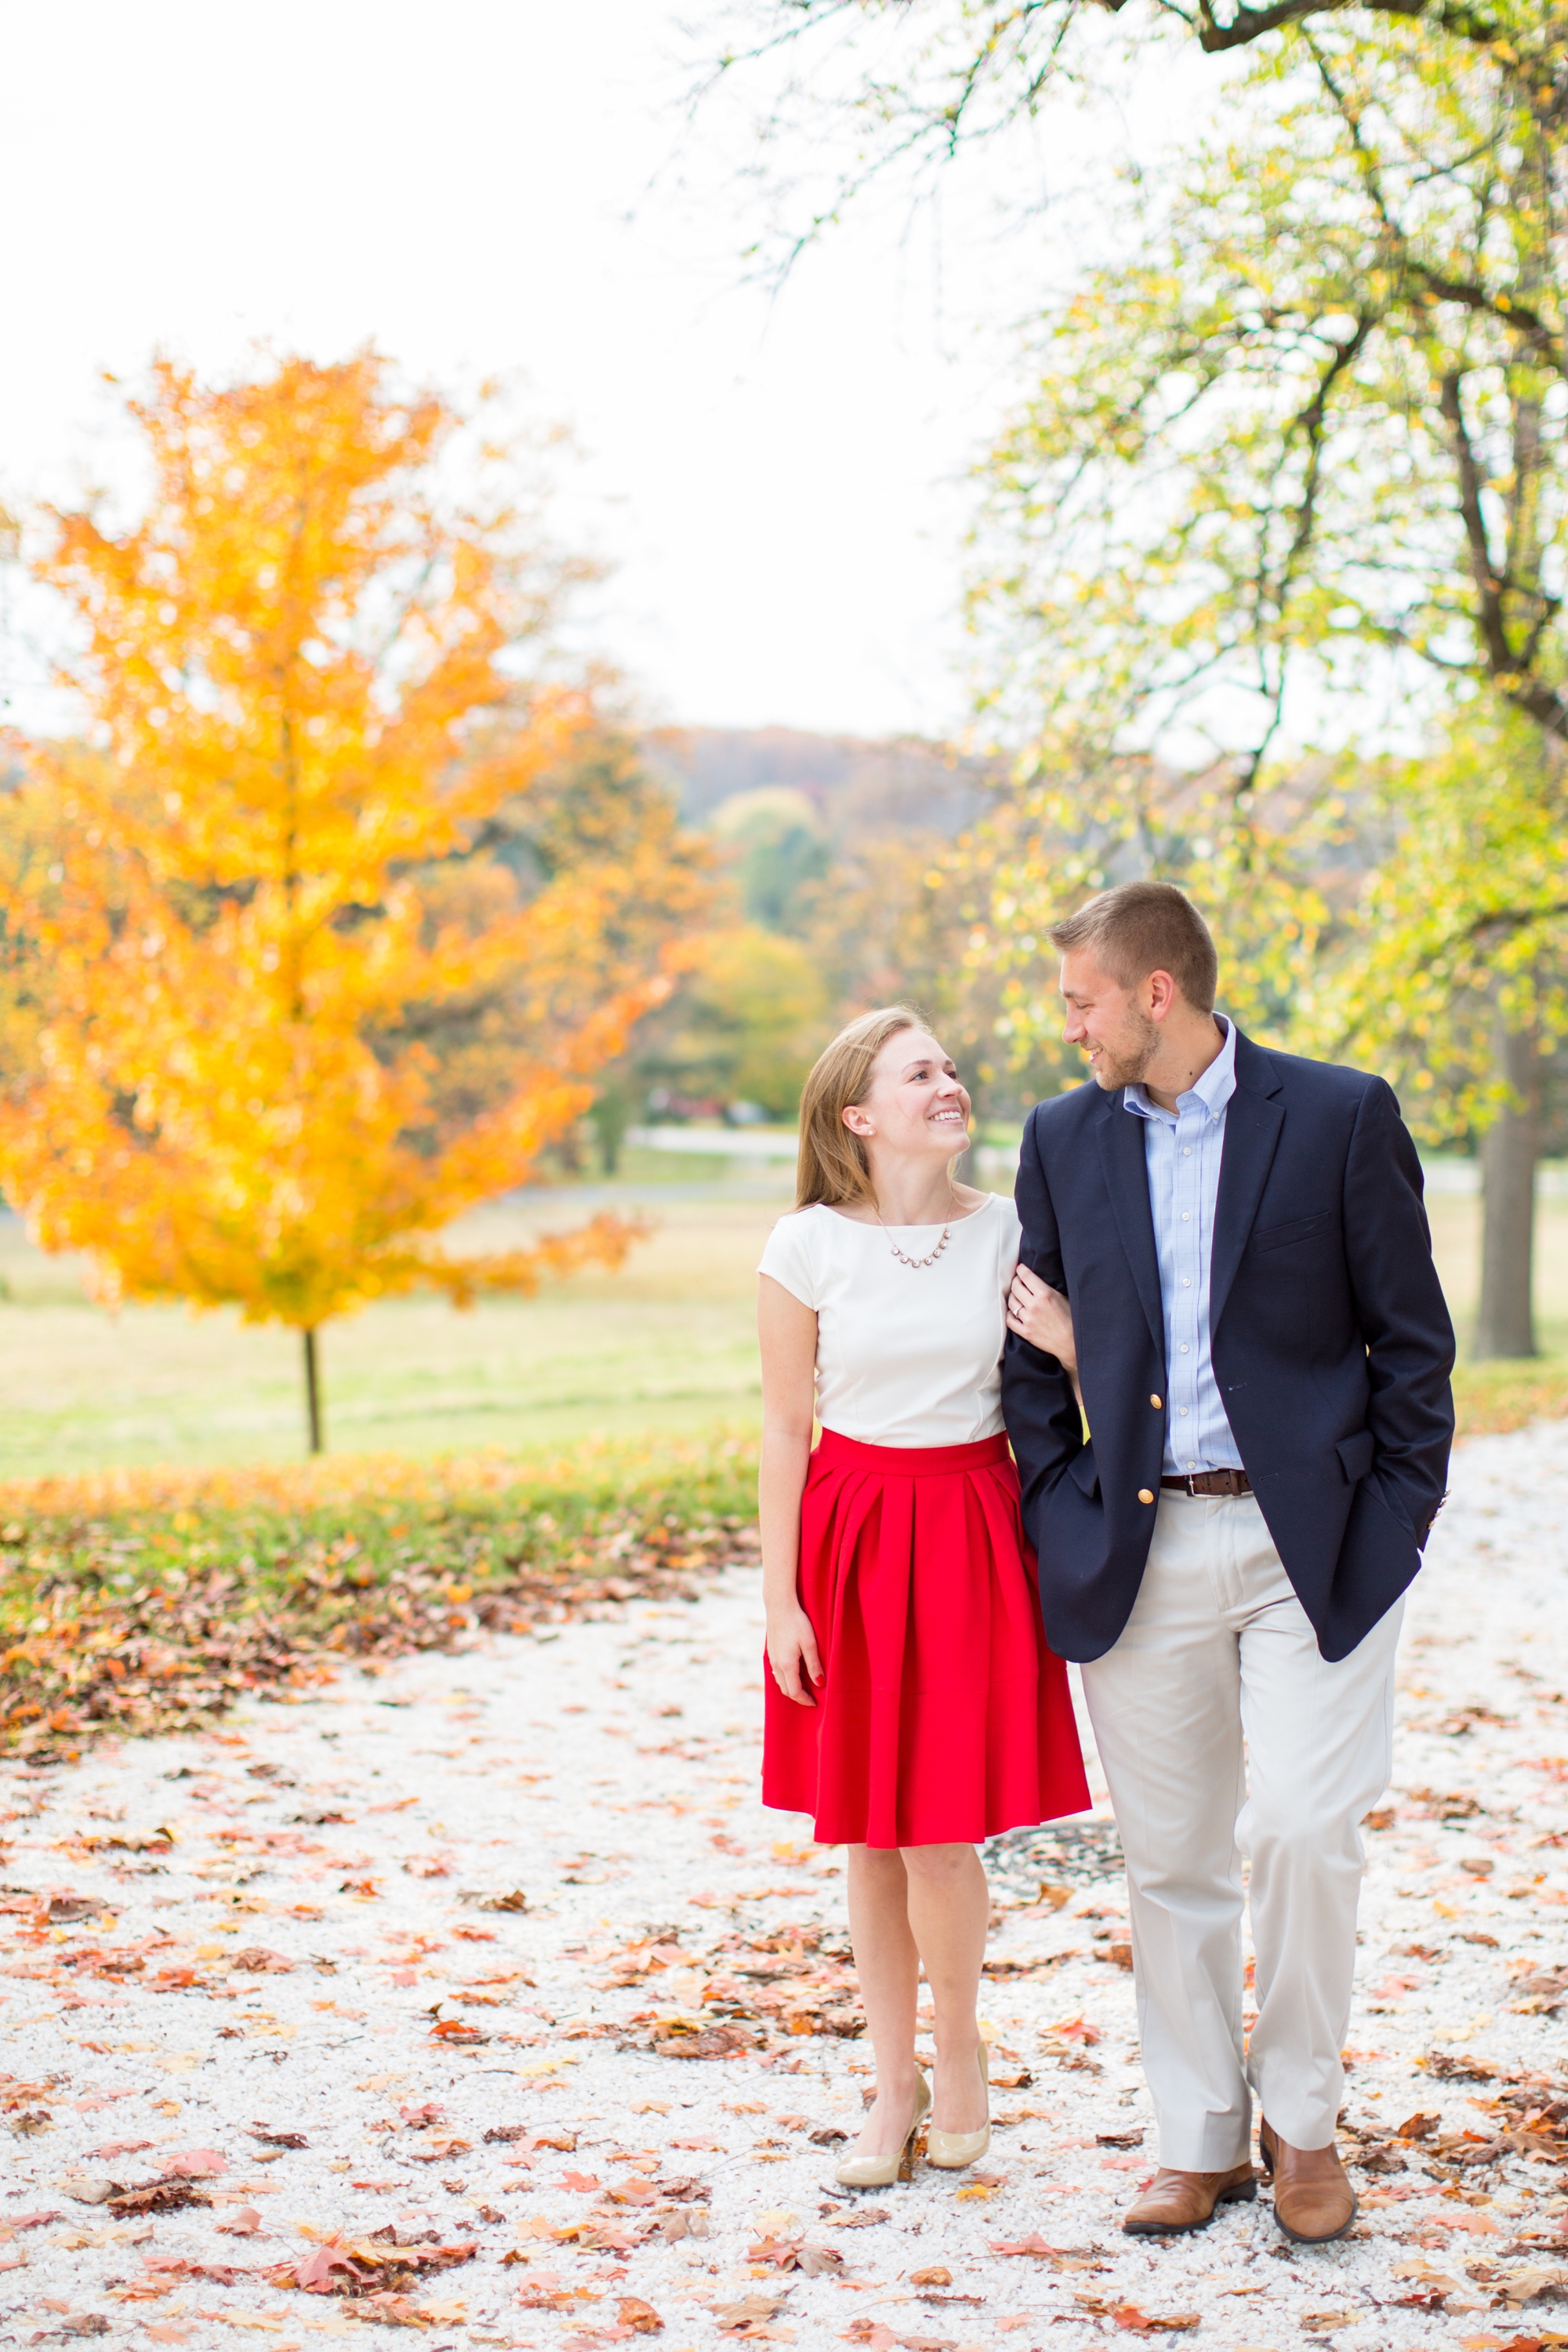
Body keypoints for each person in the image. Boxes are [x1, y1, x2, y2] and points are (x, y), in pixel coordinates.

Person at [1000, 881, 1455, 2245]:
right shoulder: (1063, 1138)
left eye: (1082, 1001)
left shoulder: (1337, 1114)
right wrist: (1060, 1500)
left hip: (1304, 1543)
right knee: (1174, 1856)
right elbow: (1032, 1359)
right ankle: (1198, 2135)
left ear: (1157, 993)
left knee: (1305, 1829)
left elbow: (1414, 1354)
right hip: (1136, 1542)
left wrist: (1390, 1526)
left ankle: (1302, 2121)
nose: (1067, 1028)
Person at [758, 1005, 1090, 2190]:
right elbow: (788, 1430)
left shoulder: (1006, 1230)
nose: (950, 1084)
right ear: (861, 1114)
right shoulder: (804, 1246)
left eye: (952, 1067)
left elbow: (1103, 1363)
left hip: (966, 1531)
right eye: (921, 1073)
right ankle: (889, 2080)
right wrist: (780, 1603)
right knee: (869, 1830)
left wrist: (1066, 1339)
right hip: (848, 1539)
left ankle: (960, 2054)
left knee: (942, 1833)